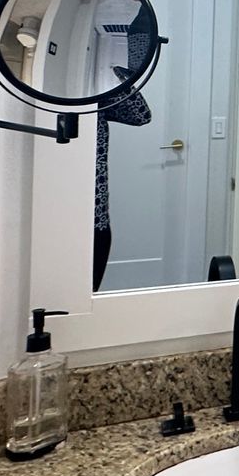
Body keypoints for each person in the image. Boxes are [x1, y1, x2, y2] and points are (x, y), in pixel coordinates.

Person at [93, 23, 154, 290]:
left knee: (89, 295)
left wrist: (114, 69)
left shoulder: (98, 88)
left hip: (97, 218)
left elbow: (141, 115)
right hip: (57, 216)